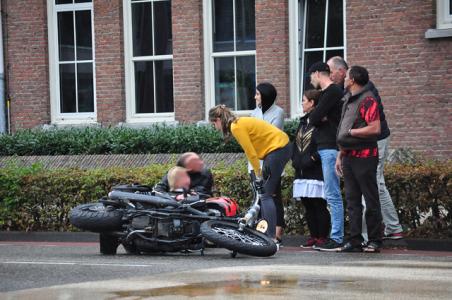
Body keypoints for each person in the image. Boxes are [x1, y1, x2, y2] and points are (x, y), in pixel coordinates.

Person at [327, 56, 403, 240]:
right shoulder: (348, 93)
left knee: (374, 184)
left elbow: (370, 125)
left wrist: (351, 132)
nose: (330, 76)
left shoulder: (365, 94)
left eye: (331, 72)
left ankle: (377, 231)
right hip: (359, 144)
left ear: (343, 73)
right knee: (368, 187)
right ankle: (379, 231)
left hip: (373, 141)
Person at [209, 105, 292, 240]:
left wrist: (258, 173)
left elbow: (250, 153)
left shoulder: (236, 127)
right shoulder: (239, 122)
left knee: (265, 194)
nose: (214, 127)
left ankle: (270, 238)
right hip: (278, 148)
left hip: (278, 149)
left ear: (218, 119)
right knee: (266, 193)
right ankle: (267, 234)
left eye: (213, 123)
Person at [336, 65, 383, 253]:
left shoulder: (367, 99)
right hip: (348, 156)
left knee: (370, 200)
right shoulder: (348, 99)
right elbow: (342, 130)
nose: (344, 78)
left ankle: (375, 240)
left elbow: (375, 128)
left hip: (365, 157)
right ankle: (354, 240)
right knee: (352, 201)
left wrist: (352, 132)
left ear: (353, 80)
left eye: (346, 76)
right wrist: (340, 155)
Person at [307, 62, 345, 251]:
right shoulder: (326, 94)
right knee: (331, 194)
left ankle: (337, 237)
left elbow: (313, 118)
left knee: (332, 194)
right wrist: (319, 116)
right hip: (326, 147)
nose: (311, 81)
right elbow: (315, 118)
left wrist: (319, 117)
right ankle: (336, 236)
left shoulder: (332, 92)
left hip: (330, 147)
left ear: (316, 74)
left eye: (311, 77)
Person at [292, 89, 331, 248]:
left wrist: (313, 158)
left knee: (318, 204)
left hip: (315, 170)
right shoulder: (303, 121)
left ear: (312, 103)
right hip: (301, 171)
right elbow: (296, 144)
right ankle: (313, 236)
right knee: (307, 205)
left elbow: (325, 143)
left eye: (304, 100)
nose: (302, 103)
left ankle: (322, 236)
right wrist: (294, 159)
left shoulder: (322, 121)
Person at [250, 82, 286, 244]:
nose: (255, 97)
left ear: (265, 95)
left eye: (257, 94)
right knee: (258, 197)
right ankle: (261, 231)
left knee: (273, 197)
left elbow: (271, 136)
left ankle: (277, 233)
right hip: (255, 163)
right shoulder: (253, 113)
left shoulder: (278, 113)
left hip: (272, 162)